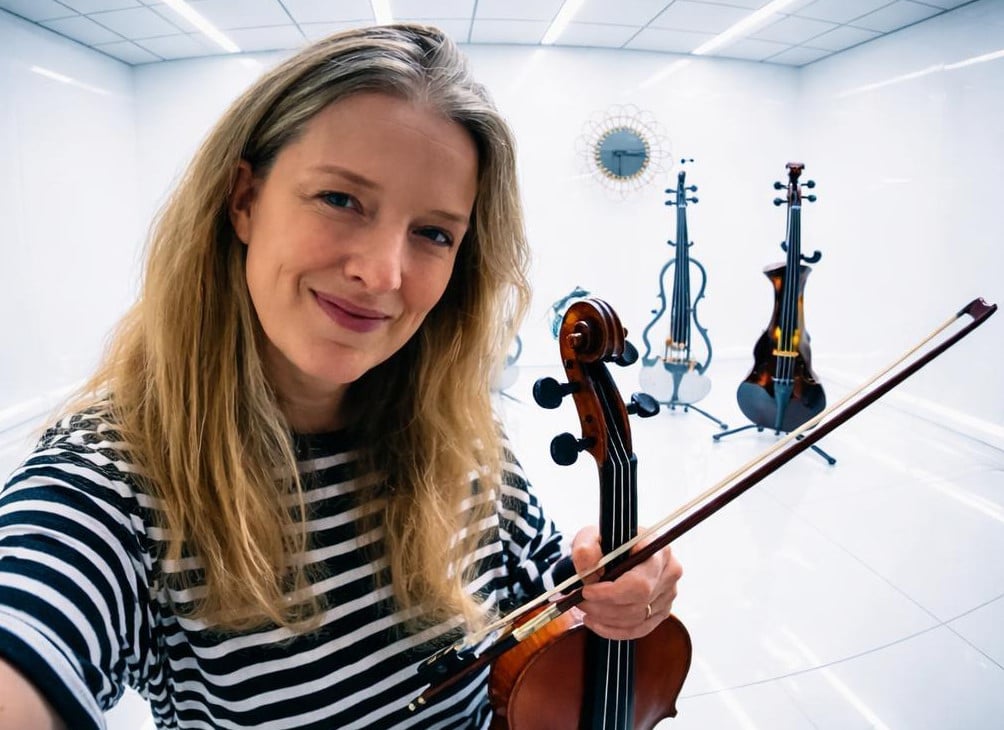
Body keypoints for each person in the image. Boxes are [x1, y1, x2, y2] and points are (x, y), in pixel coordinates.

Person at [0, 23, 682, 730]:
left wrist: (613, 586)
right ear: (244, 199)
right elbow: (31, 626)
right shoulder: (114, 477)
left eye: (434, 233)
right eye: (340, 199)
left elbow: (537, 586)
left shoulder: (456, 425)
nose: (382, 274)